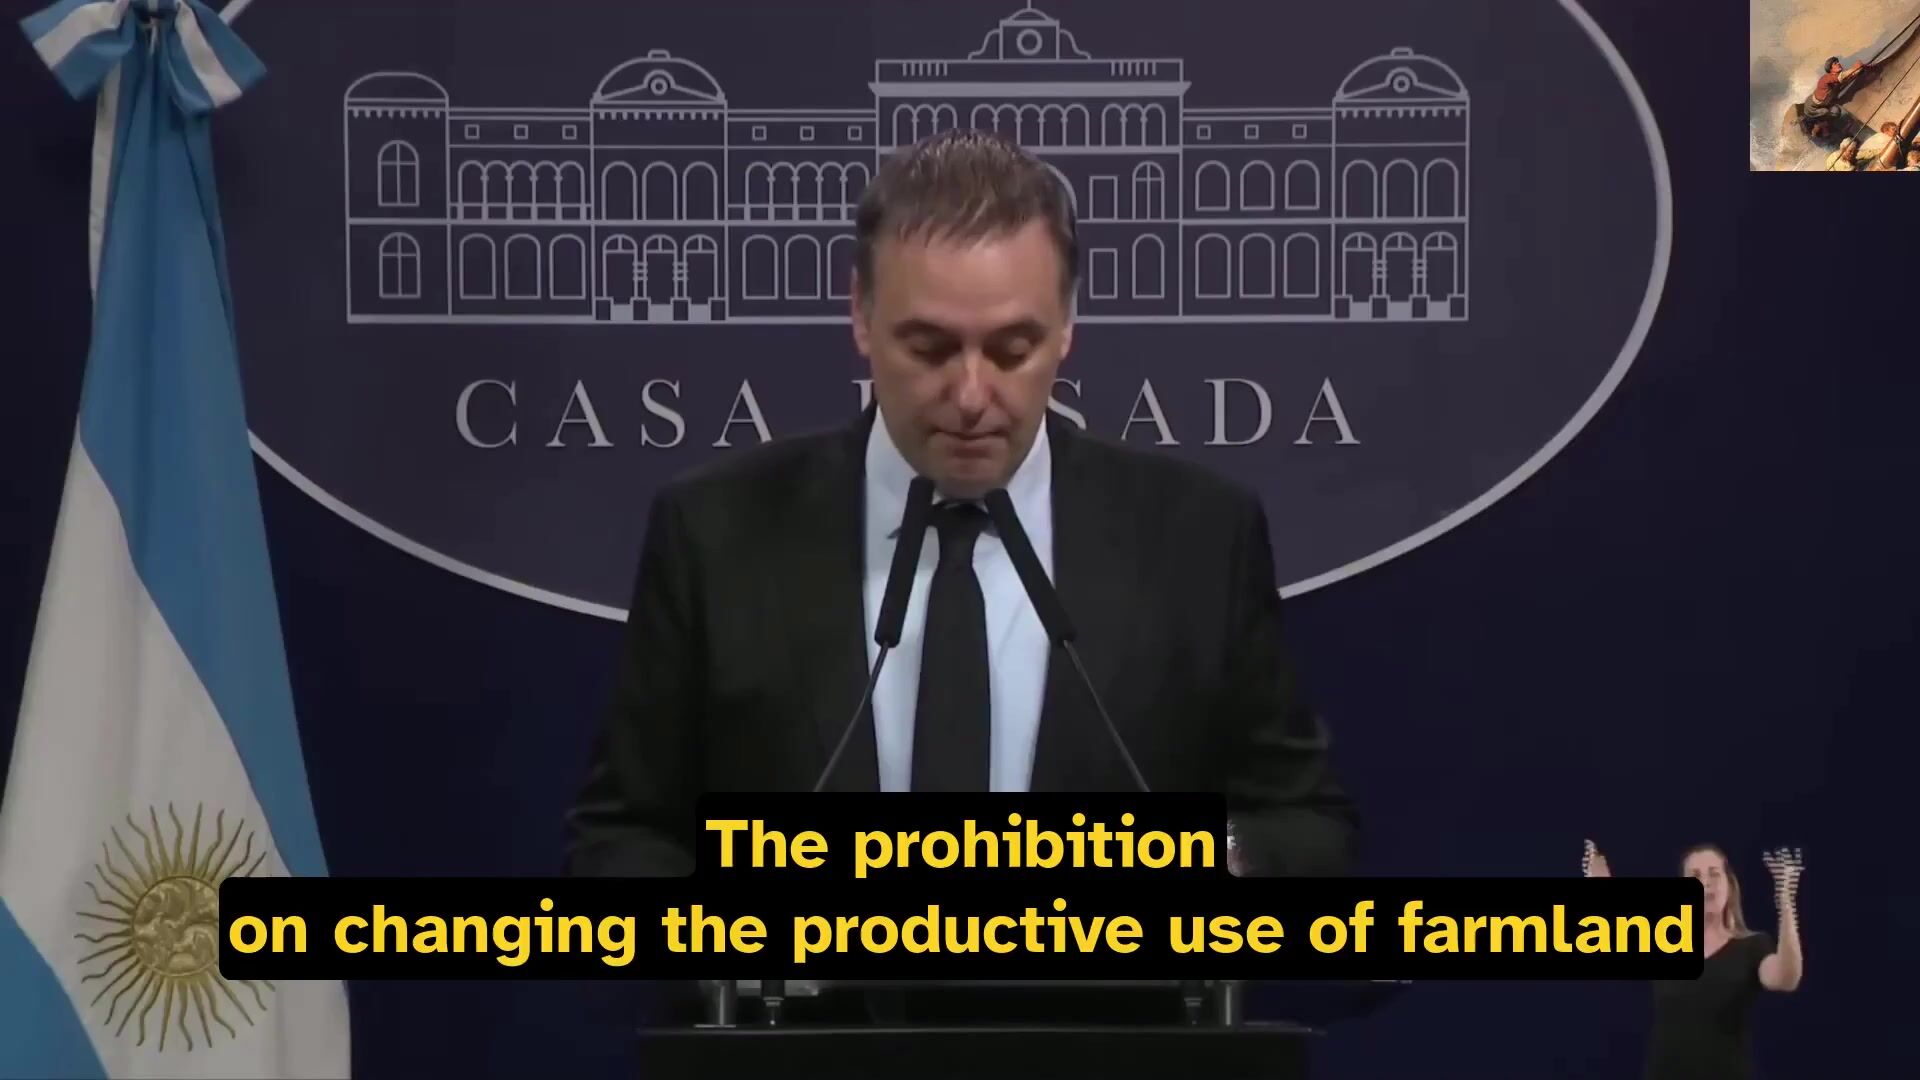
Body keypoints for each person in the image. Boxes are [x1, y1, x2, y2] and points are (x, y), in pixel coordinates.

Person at [565, 128, 1358, 879]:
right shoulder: (715, 532)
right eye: (931, 348)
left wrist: (1201, 858)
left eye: (1013, 349)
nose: (972, 394)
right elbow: (625, 837)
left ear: (1067, 327)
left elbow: (1308, 828)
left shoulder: (1198, 536)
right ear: (860, 315)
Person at [1583, 840, 1805, 1080]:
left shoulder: (1752, 946)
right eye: (1695, 876)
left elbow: (1786, 979)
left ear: (1729, 885)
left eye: (1714, 874)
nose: (1706, 883)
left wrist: (1786, 904)